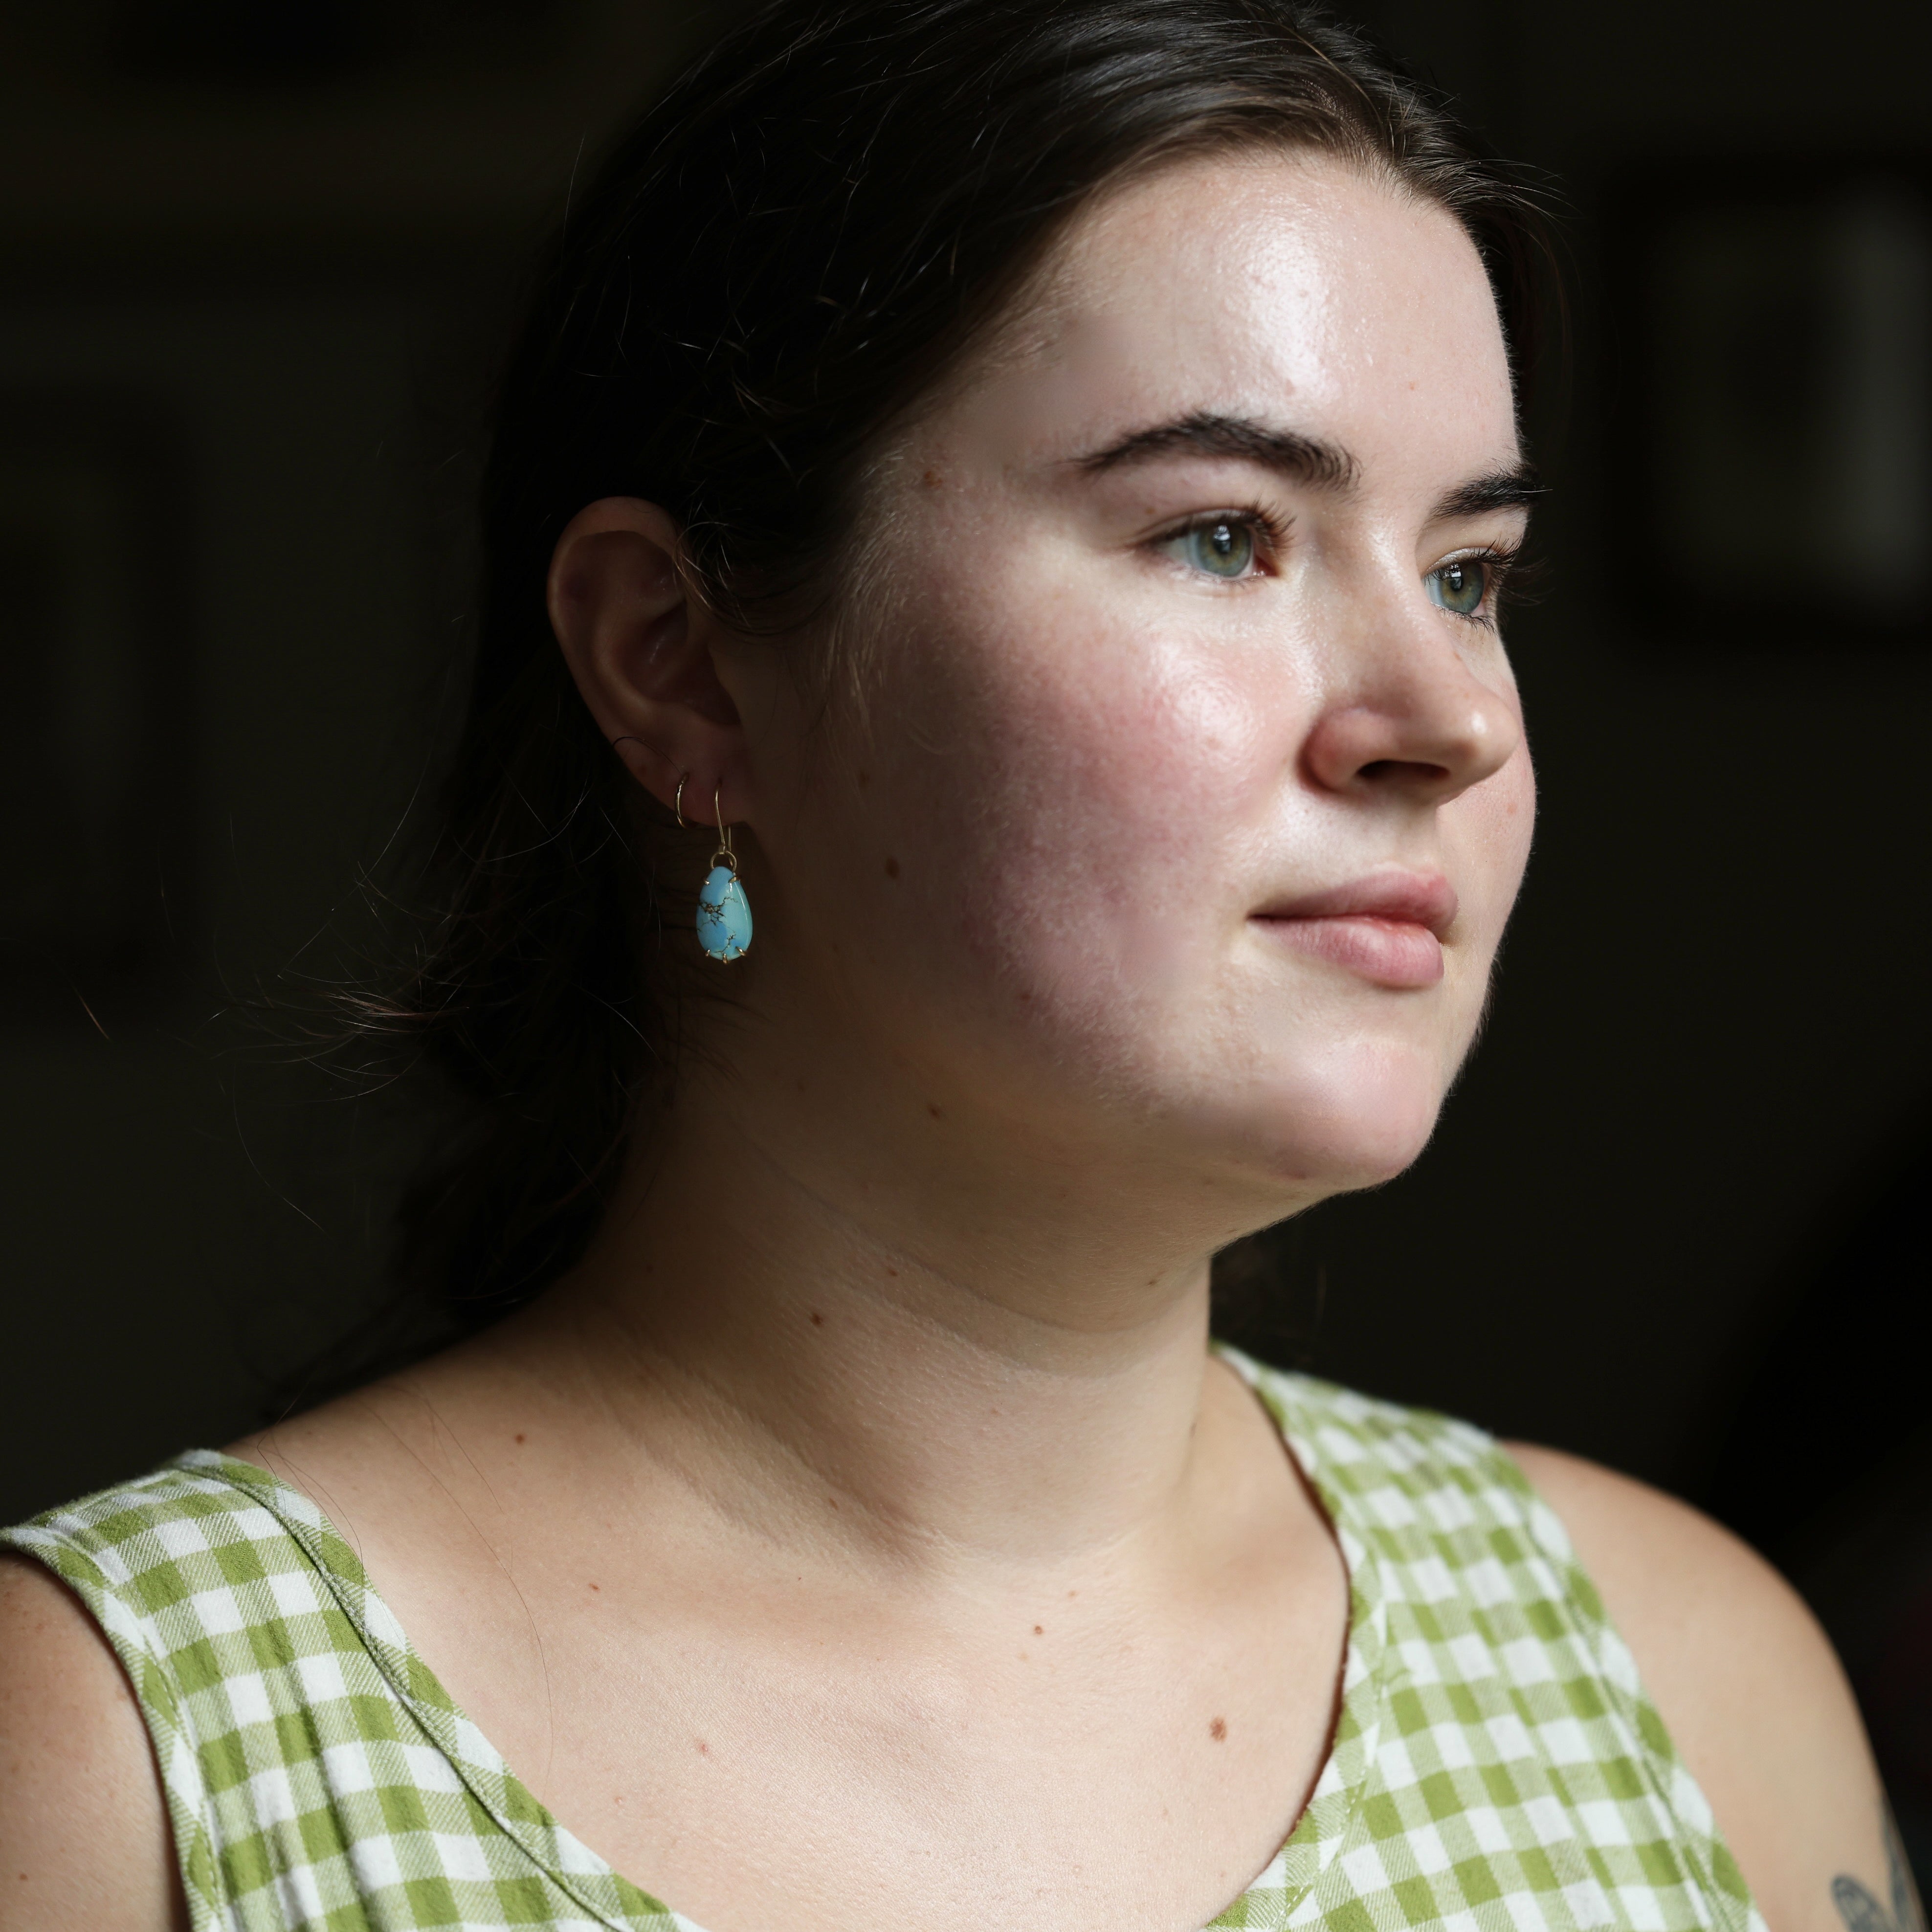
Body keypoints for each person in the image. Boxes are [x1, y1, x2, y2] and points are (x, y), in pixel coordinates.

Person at [0, 3, 1905, 1929]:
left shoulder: (1686, 1682)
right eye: (1223, 536)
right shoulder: (113, 1761)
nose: (1451, 722)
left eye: (1466, 574)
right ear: (677, 662)